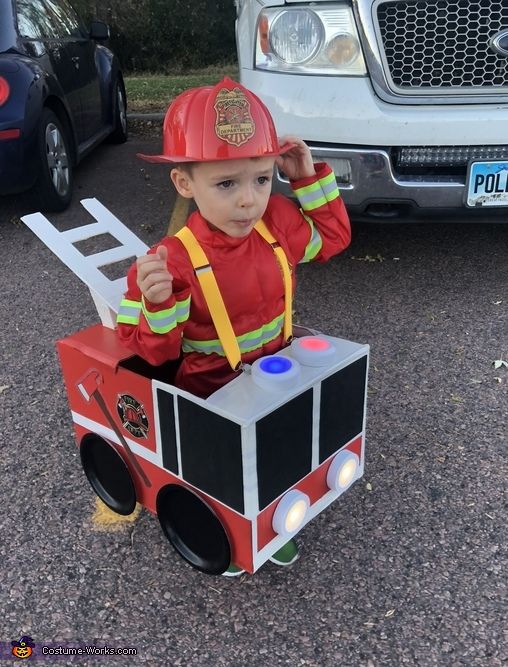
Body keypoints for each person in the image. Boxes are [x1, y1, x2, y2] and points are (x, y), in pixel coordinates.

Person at [117, 77, 351, 575]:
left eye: (262, 178)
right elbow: (150, 358)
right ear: (184, 183)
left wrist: (307, 178)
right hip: (210, 396)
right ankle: (229, 533)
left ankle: (271, 525)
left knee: (280, 453)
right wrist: (159, 301)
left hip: (277, 374)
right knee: (224, 475)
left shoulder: (279, 223)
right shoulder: (166, 264)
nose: (249, 201)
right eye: (226, 184)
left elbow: (331, 240)